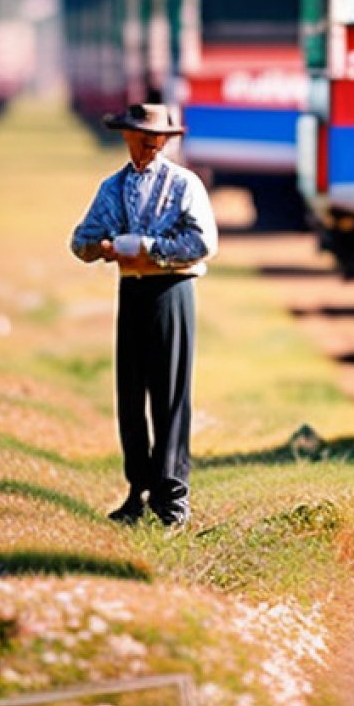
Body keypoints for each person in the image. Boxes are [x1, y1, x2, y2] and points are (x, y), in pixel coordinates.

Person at [70, 103, 218, 528]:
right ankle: (139, 489)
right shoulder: (112, 187)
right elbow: (80, 240)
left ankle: (173, 498)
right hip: (132, 289)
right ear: (127, 136)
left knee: (170, 395)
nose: (152, 143)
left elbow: (203, 242)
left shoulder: (183, 184)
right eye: (143, 135)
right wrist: (102, 248)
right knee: (130, 394)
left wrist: (148, 247)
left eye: (159, 137)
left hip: (172, 290)